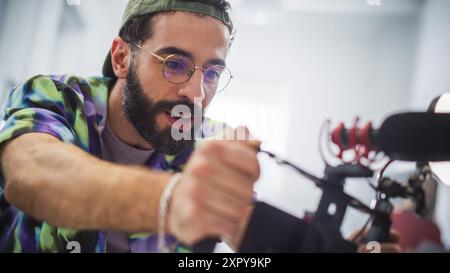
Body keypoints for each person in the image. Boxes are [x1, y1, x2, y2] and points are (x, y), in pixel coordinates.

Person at [0, 0, 399, 253]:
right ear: (122, 58)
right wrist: (173, 200)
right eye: (174, 64)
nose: (196, 94)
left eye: (211, 73)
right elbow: (30, 173)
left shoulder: (213, 143)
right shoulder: (58, 97)